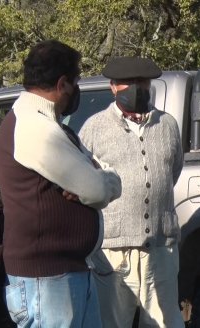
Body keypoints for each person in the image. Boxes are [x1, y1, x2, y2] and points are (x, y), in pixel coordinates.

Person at [0, 40, 122, 327]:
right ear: (63, 83)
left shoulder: (51, 125)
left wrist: (99, 179)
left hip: (67, 273)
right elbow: (98, 189)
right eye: (75, 82)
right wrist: (97, 182)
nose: (75, 89)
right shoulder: (34, 127)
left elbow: (104, 176)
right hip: (46, 280)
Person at [79, 57, 185, 328]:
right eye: (129, 82)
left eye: (142, 81)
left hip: (161, 249)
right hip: (114, 252)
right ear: (114, 87)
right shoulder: (93, 128)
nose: (137, 87)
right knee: (113, 323)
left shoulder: (168, 125)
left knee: (165, 323)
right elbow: (84, 181)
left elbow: (172, 172)